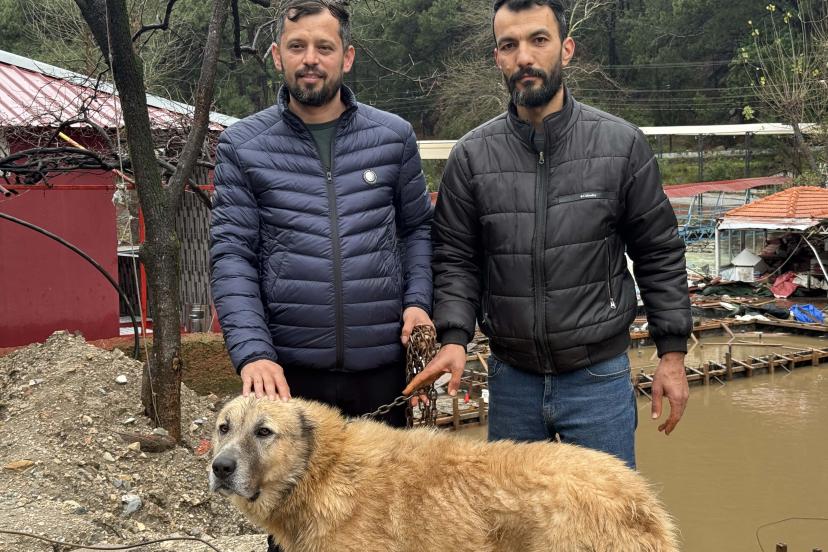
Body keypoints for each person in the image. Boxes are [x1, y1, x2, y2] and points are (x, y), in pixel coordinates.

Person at [405, 0, 691, 469]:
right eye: (509, 45)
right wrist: (455, 337)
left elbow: (659, 254)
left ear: (566, 48)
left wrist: (672, 354)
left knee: (604, 512)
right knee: (513, 514)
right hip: (511, 380)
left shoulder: (621, 146)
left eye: (539, 40)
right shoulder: (472, 157)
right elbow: (456, 259)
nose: (524, 57)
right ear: (497, 57)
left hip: (598, 379)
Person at [210, 0, 433, 429]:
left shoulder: (393, 137)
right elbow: (232, 255)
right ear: (277, 56)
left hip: (382, 370)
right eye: (297, 46)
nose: (310, 59)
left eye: (324, 47)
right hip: (288, 375)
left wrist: (418, 302)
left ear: (346, 57)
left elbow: (418, 230)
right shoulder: (242, 146)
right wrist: (253, 351)